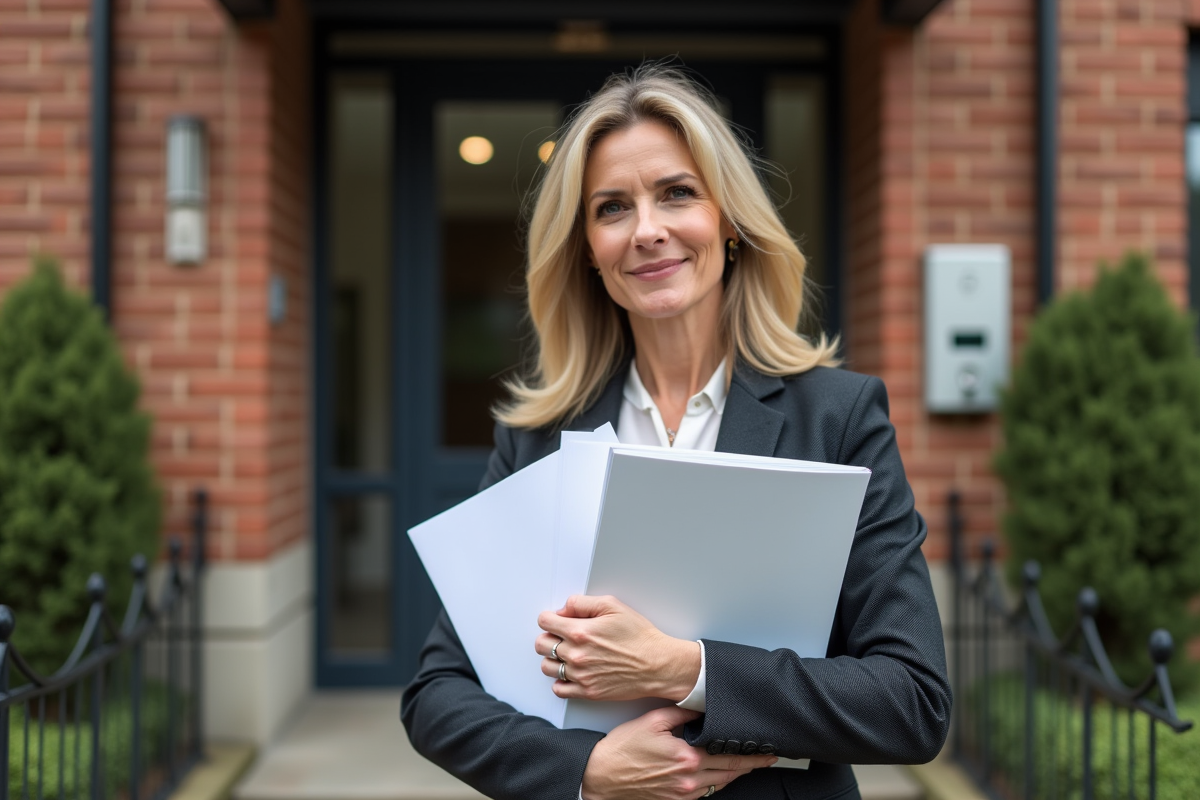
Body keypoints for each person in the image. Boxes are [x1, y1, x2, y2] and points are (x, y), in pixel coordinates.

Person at [401, 64, 951, 800]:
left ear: (728, 221)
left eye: (677, 194)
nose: (648, 231)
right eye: (612, 208)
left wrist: (681, 669)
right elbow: (436, 695)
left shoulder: (837, 418)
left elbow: (912, 700)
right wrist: (586, 771)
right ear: (589, 253)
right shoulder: (536, 439)